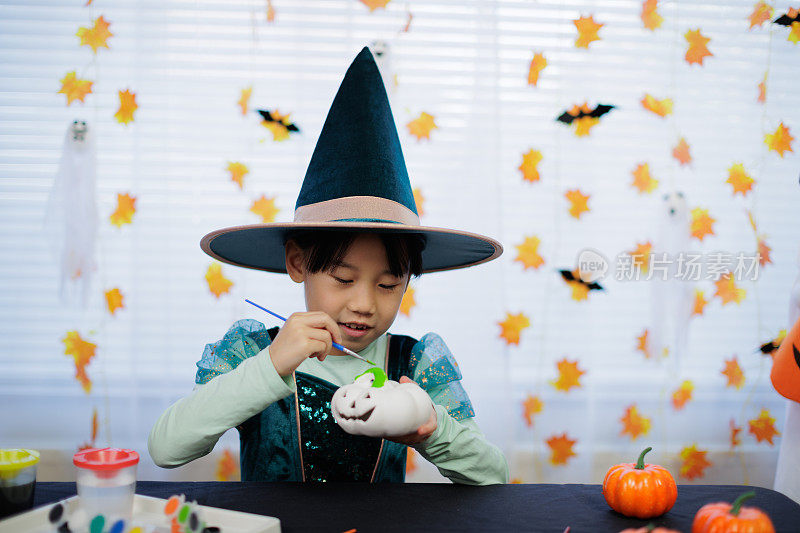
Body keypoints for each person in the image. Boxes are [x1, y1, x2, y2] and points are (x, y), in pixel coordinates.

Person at [148, 47, 508, 484]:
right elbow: (165, 450)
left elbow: (494, 475)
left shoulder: (414, 363)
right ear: (298, 263)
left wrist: (431, 429)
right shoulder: (255, 351)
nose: (364, 303)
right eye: (343, 278)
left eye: (389, 284)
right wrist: (271, 365)